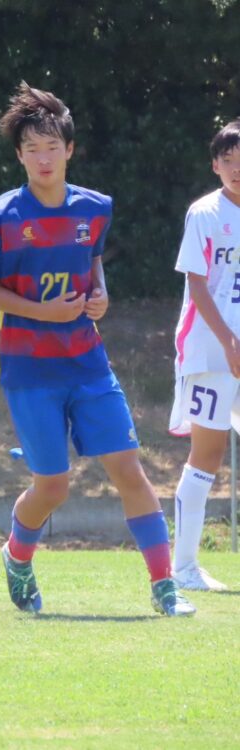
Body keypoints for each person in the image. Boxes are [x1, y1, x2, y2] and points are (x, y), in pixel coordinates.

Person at [0, 82, 194, 617]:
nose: (43, 158)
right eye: (32, 149)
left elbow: (91, 264)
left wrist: (101, 295)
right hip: (29, 371)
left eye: (52, 147)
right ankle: (17, 556)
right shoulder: (2, 216)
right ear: (19, 156)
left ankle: (165, 586)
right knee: (53, 488)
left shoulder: (95, 208)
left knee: (129, 470)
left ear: (69, 150)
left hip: (89, 364)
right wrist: (43, 311)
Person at [167, 118, 240, 592]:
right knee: (207, 454)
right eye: (228, 160)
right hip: (210, 352)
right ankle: (185, 568)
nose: (236, 169)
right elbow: (197, 285)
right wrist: (229, 342)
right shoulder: (205, 213)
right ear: (215, 165)